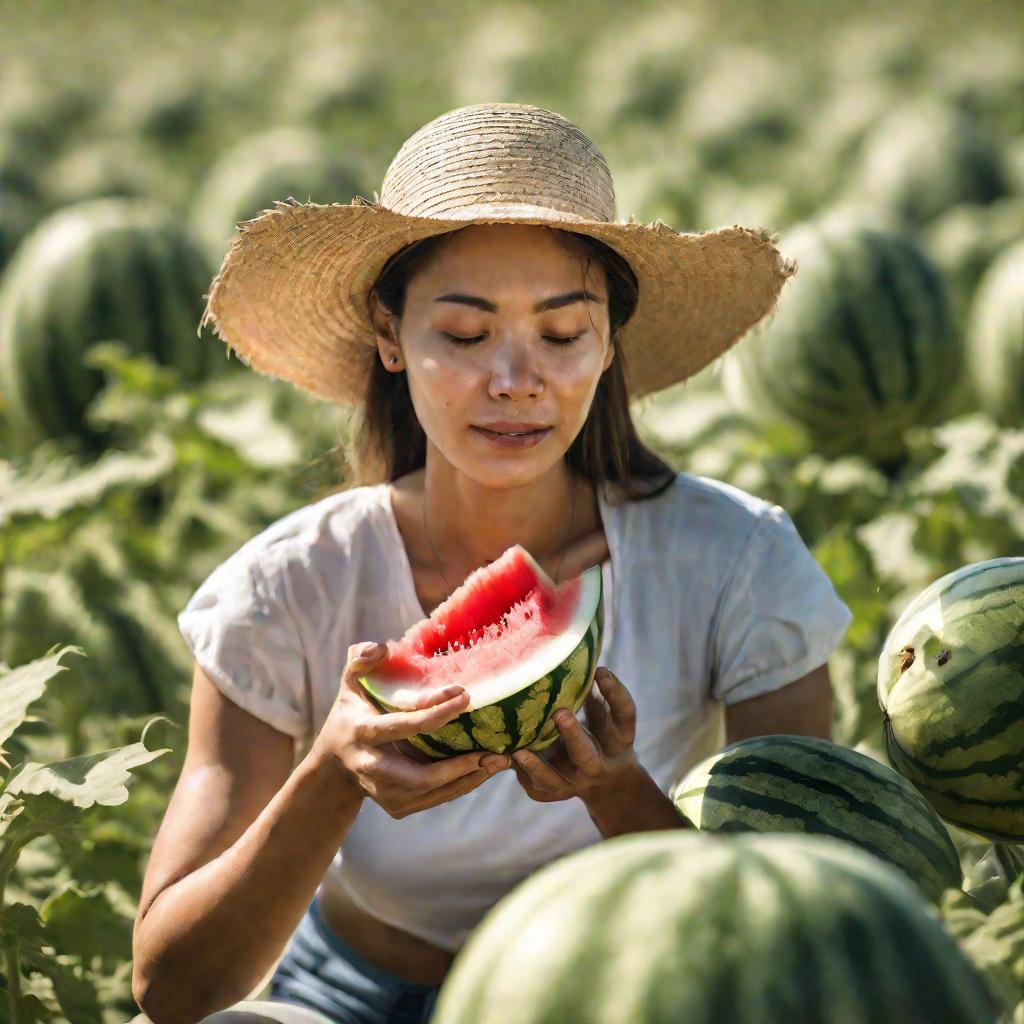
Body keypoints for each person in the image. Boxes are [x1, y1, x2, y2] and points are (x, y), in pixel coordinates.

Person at [130, 102, 852, 1024]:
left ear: (609, 345)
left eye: (561, 334)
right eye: (465, 336)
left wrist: (616, 792)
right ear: (390, 338)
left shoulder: (739, 562)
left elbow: (811, 927)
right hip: (352, 996)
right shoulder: (284, 587)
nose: (515, 379)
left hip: (627, 997)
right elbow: (171, 989)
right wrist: (332, 773)